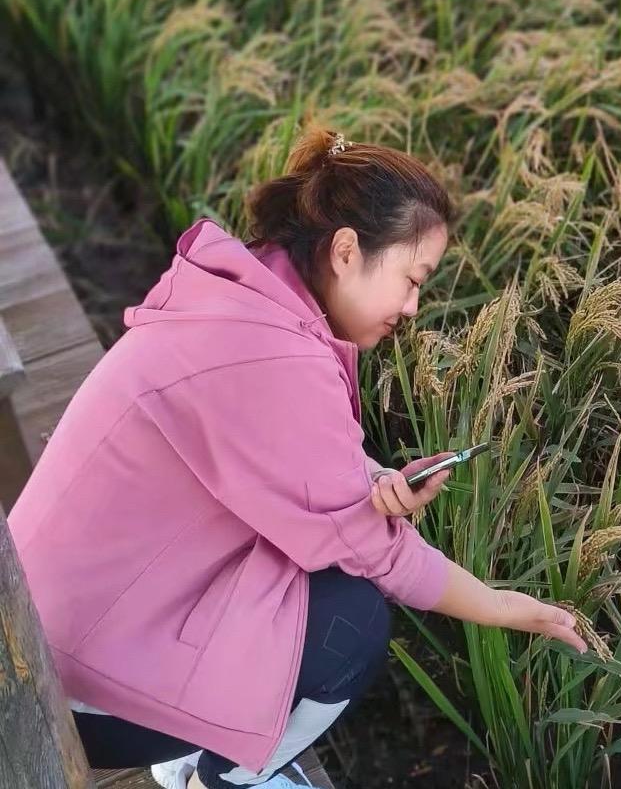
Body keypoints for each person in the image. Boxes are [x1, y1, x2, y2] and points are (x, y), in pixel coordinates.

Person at [7, 124, 586, 789]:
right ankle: (225, 779)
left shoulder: (247, 303)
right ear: (346, 251)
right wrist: (504, 607)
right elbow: (379, 555)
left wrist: (371, 477)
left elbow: (290, 461)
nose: (413, 306)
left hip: (44, 624)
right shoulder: (275, 359)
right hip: (61, 688)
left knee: (313, 565)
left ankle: (192, 751)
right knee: (351, 626)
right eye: (411, 279)